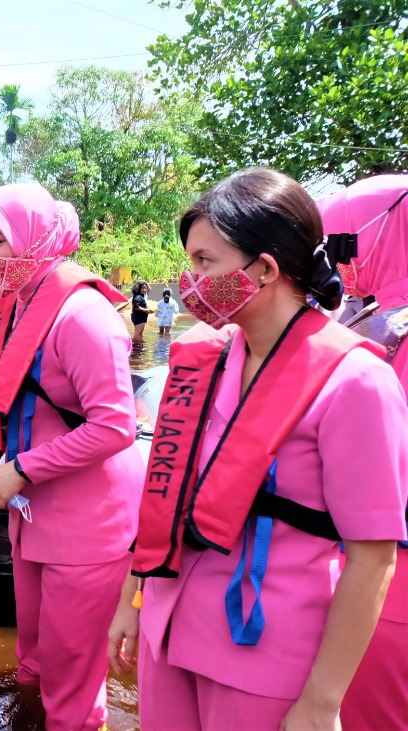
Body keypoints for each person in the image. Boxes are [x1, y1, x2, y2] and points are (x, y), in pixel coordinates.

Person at [111, 168, 405, 731]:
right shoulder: (205, 359)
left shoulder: (356, 380)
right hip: (168, 631)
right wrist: (131, 598)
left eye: (205, 262)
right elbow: (164, 493)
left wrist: (322, 701)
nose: (190, 278)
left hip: (265, 651)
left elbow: (373, 558)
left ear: (265, 269)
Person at [0, 182, 143, 731]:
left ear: (38, 239)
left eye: (0, 243)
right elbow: (10, 405)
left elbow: (116, 425)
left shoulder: (83, 315)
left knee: (73, 681)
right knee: (33, 662)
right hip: (31, 520)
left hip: (86, 529)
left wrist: (21, 470)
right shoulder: (19, 310)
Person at [316, 174, 408, 731]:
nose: (334, 263)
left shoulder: (393, 332)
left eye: (339, 244)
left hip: (390, 570)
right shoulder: (377, 316)